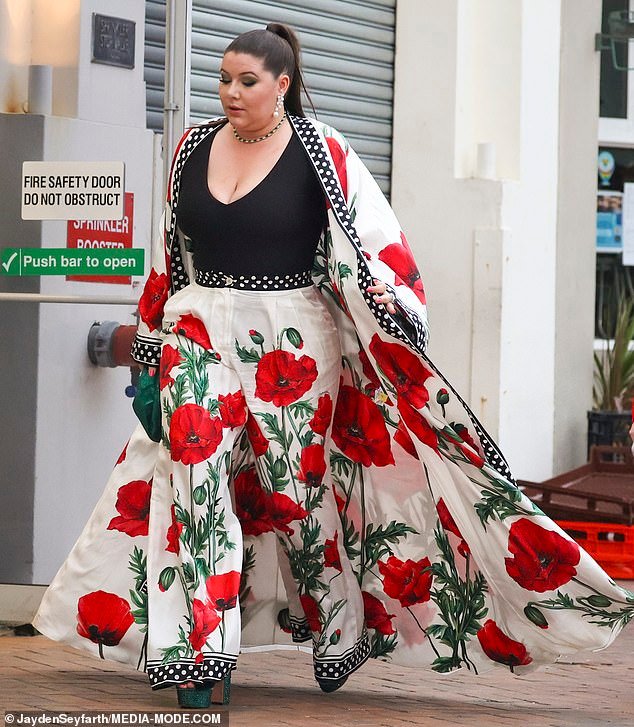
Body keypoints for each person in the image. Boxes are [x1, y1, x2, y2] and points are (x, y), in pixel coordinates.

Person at [34, 23, 633, 710]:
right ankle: (199, 650)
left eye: (247, 81)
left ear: (282, 85)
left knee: (294, 498)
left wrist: (388, 299)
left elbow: (381, 245)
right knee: (194, 473)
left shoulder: (323, 150)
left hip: (291, 341)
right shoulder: (191, 147)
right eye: (224, 79)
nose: (230, 91)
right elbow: (170, 257)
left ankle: (337, 622)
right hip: (197, 332)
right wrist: (147, 354)